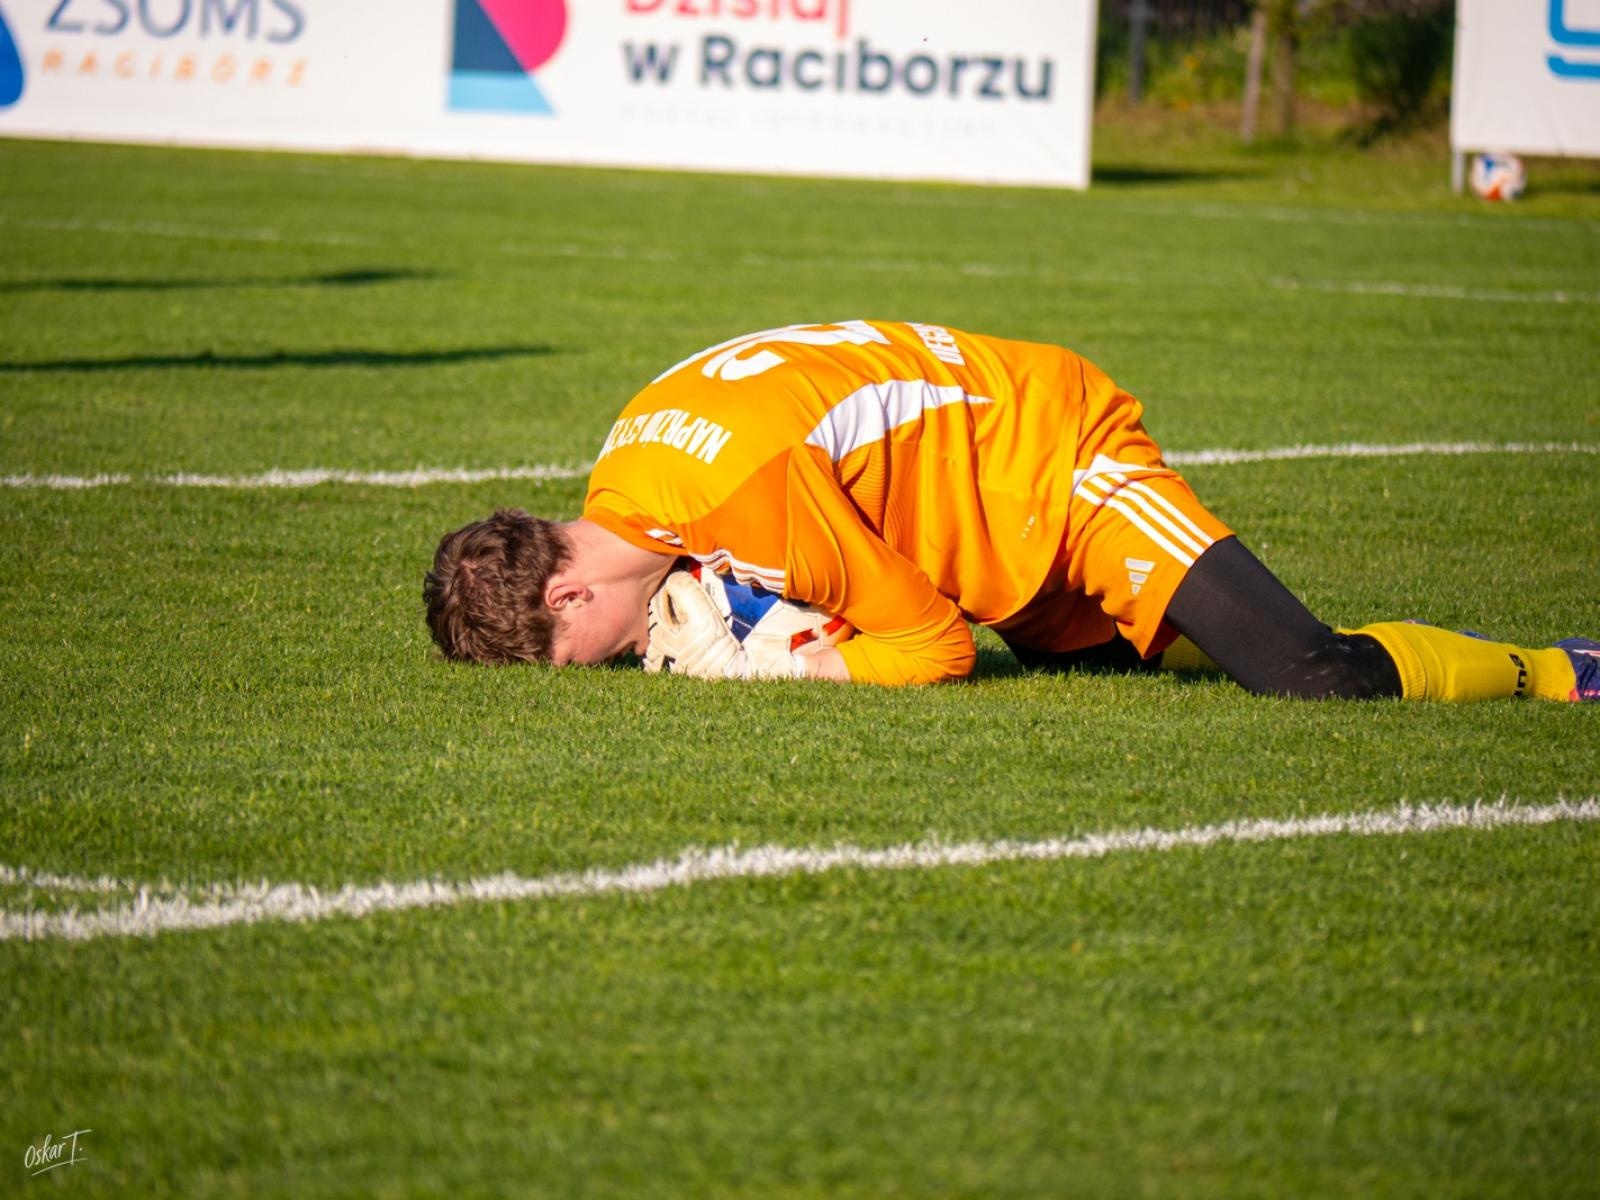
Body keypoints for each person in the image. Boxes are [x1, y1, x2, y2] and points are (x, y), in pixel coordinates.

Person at [423, 319, 1597, 701]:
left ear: (567, 589)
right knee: (1142, 675)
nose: (607, 663)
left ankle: (1564, 668)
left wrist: (789, 667)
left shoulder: (735, 492)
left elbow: (933, 647)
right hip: (986, 526)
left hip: (1054, 460)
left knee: (1305, 672)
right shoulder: (624, 475)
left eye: (574, 651)